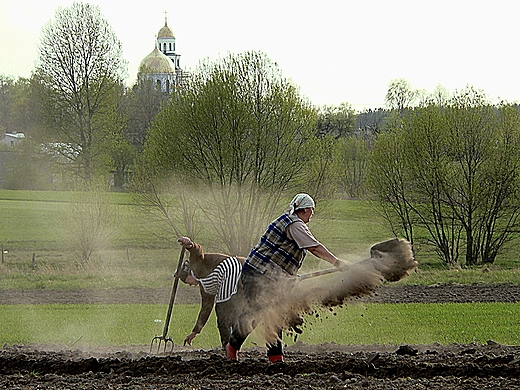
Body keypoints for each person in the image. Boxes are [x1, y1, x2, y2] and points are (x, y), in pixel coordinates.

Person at [226, 193, 346, 363]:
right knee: (256, 312)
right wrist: (337, 263)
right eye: (312, 210)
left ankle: (276, 358)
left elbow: (281, 256)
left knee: (275, 315)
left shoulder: (289, 221)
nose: (312, 213)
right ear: (304, 209)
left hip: (271, 276)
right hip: (258, 273)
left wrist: (289, 277)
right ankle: (232, 346)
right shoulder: (295, 225)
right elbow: (315, 248)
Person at [176, 237, 245, 348]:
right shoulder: (205, 287)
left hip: (230, 269)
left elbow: (197, 252)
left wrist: (189, 244)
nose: (188, 284)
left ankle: (228, 347)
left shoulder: (196, 266)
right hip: (237, 276)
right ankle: (233, 344)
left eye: (186, 281)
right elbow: (206, 308)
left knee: (222, 310)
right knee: (231, 314)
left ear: (188, 274)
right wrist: (195, 332)